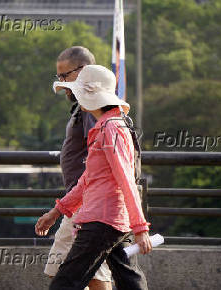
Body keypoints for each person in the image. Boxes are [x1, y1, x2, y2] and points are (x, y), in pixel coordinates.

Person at [35, 65, 152, 290]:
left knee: (65, 283)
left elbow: (125, 179)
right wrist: (56, 212)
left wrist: (141, 228)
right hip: (114, 220)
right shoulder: (107, 126)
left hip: (102, 220)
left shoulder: (110, 128)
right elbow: (87, 181)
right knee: (129, 280)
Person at [43, 47, 113, 290]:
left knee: (89, 272)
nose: (61, 83)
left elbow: (99, 165)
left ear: (83, 72)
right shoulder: (83, 108)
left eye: (64, 76)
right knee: (77, 270)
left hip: (89, 205)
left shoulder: (93, 111)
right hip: (83, 202)